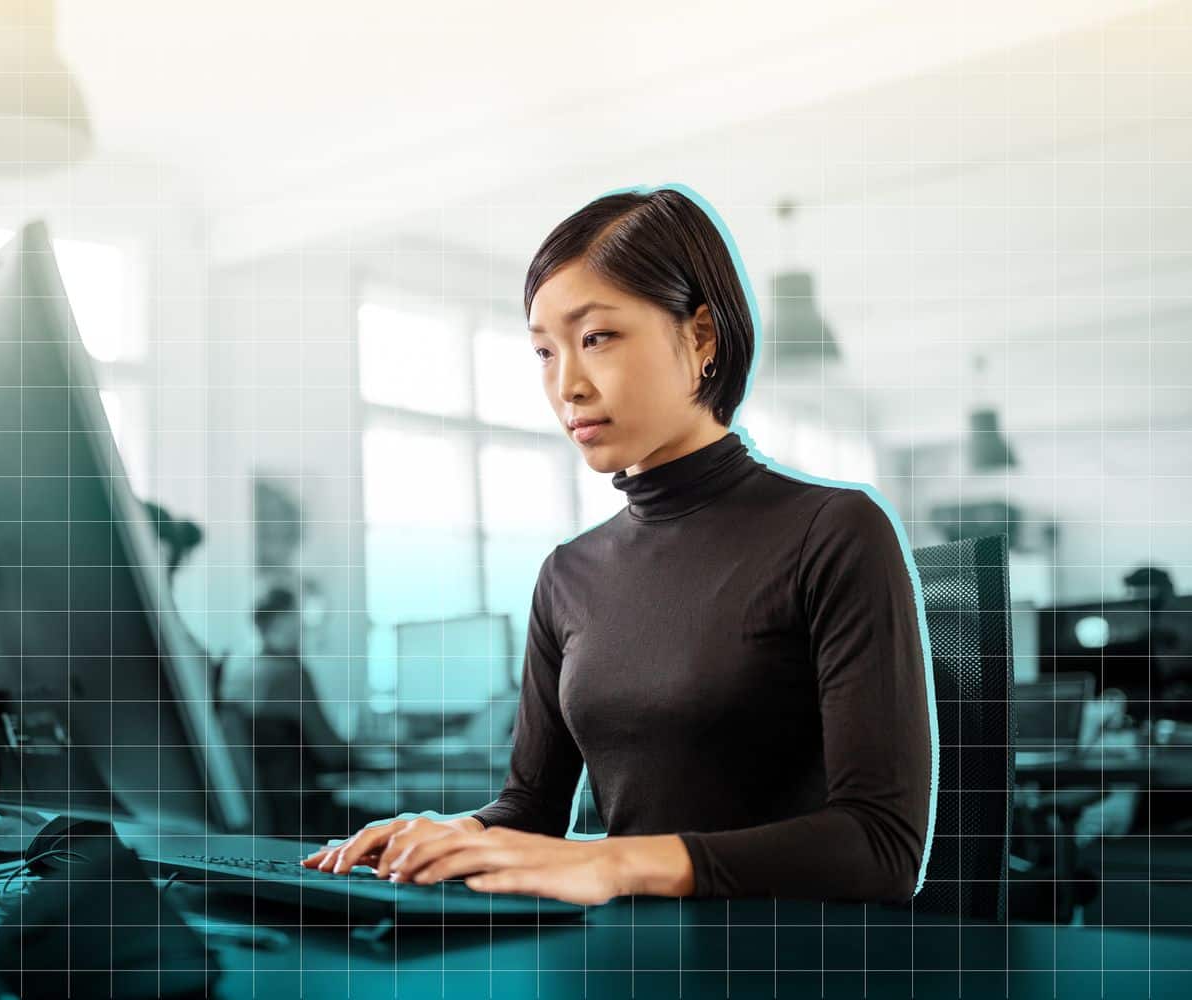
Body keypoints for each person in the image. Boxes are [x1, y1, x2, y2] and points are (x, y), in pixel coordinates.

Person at [303, 186, 934, 905]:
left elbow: (880, 847)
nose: (567, 385)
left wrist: (612, 862)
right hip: (633, 958)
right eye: (544, 351)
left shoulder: (834, 532)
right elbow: (532, 811)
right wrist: (454, 834)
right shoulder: (567, 574)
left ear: (701, 337)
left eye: (596, 337)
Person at [220, 585, 350, 839]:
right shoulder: (290, 674)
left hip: (256, 810)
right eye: (299, 619)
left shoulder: (237, 672)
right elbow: (332, 753)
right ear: (284, 622)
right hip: (300, 814)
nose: (304, 628)